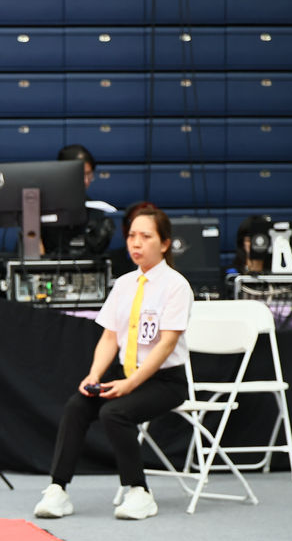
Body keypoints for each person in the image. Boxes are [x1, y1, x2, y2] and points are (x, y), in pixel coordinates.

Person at [33, 205, 192, 522]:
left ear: (164, 244)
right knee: (77, 406)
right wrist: (93, 376)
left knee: (114, 413)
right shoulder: (124, 284)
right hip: (125, 373)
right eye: (132, 236)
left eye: (145, 236)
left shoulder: (176, 286)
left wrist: (130, 385)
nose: (136, 243)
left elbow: (166, 345)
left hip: (165, 381)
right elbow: (109, 337)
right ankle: (58, 489)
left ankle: (139, 492)